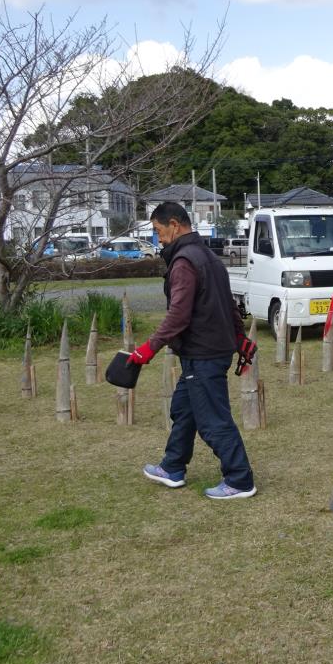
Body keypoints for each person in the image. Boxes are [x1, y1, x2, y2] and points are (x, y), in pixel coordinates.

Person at [131, 202, 258, 499]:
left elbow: (178, 316)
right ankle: (172, 467)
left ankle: (239, 479)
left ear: (174, 224)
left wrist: (147, 349)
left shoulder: (185, 262)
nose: (158, 239)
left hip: (203, 353)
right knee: (184, 411)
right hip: (207, 351)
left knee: (213, 420)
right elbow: (230, 305)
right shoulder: (209, 257)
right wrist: (240, 340)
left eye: (158, 231)